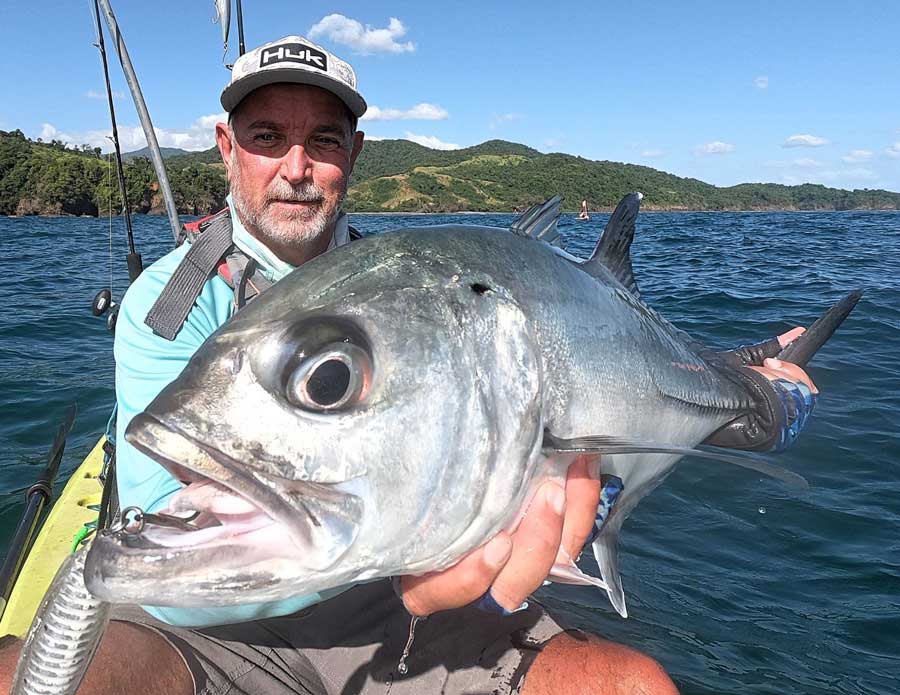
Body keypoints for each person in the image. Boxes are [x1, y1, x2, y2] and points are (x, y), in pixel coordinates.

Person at [0, 35, 817, 695]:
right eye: (266, 137)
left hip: (419, 604)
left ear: (354, 153)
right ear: (227, 150)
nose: (296, 166)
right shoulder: (166, 304)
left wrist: (756, 405)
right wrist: (425, 548)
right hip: (221, 624)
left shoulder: (410, 279)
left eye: (322, 141)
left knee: (632, 687)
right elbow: (174, 566)